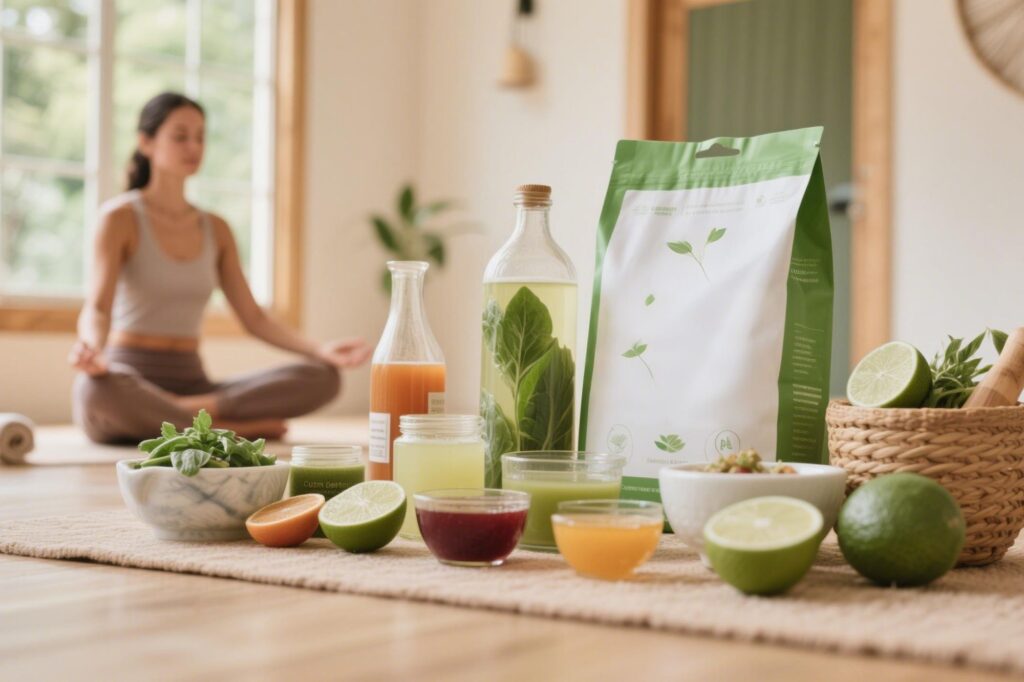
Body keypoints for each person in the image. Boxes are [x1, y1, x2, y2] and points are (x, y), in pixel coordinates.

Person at [70, 92, 371, 443]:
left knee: (325, 377)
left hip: (196, 385)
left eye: (201, 137)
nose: (194, 146)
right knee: (94, 391)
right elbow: (98, 307)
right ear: (146, 142)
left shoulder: (216, 228)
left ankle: (178, 415)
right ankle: (227, 428)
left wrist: (320, 350)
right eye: (180, 136)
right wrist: (91, 348)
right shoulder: (119, 218)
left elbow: (254, 318)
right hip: (130, 381)